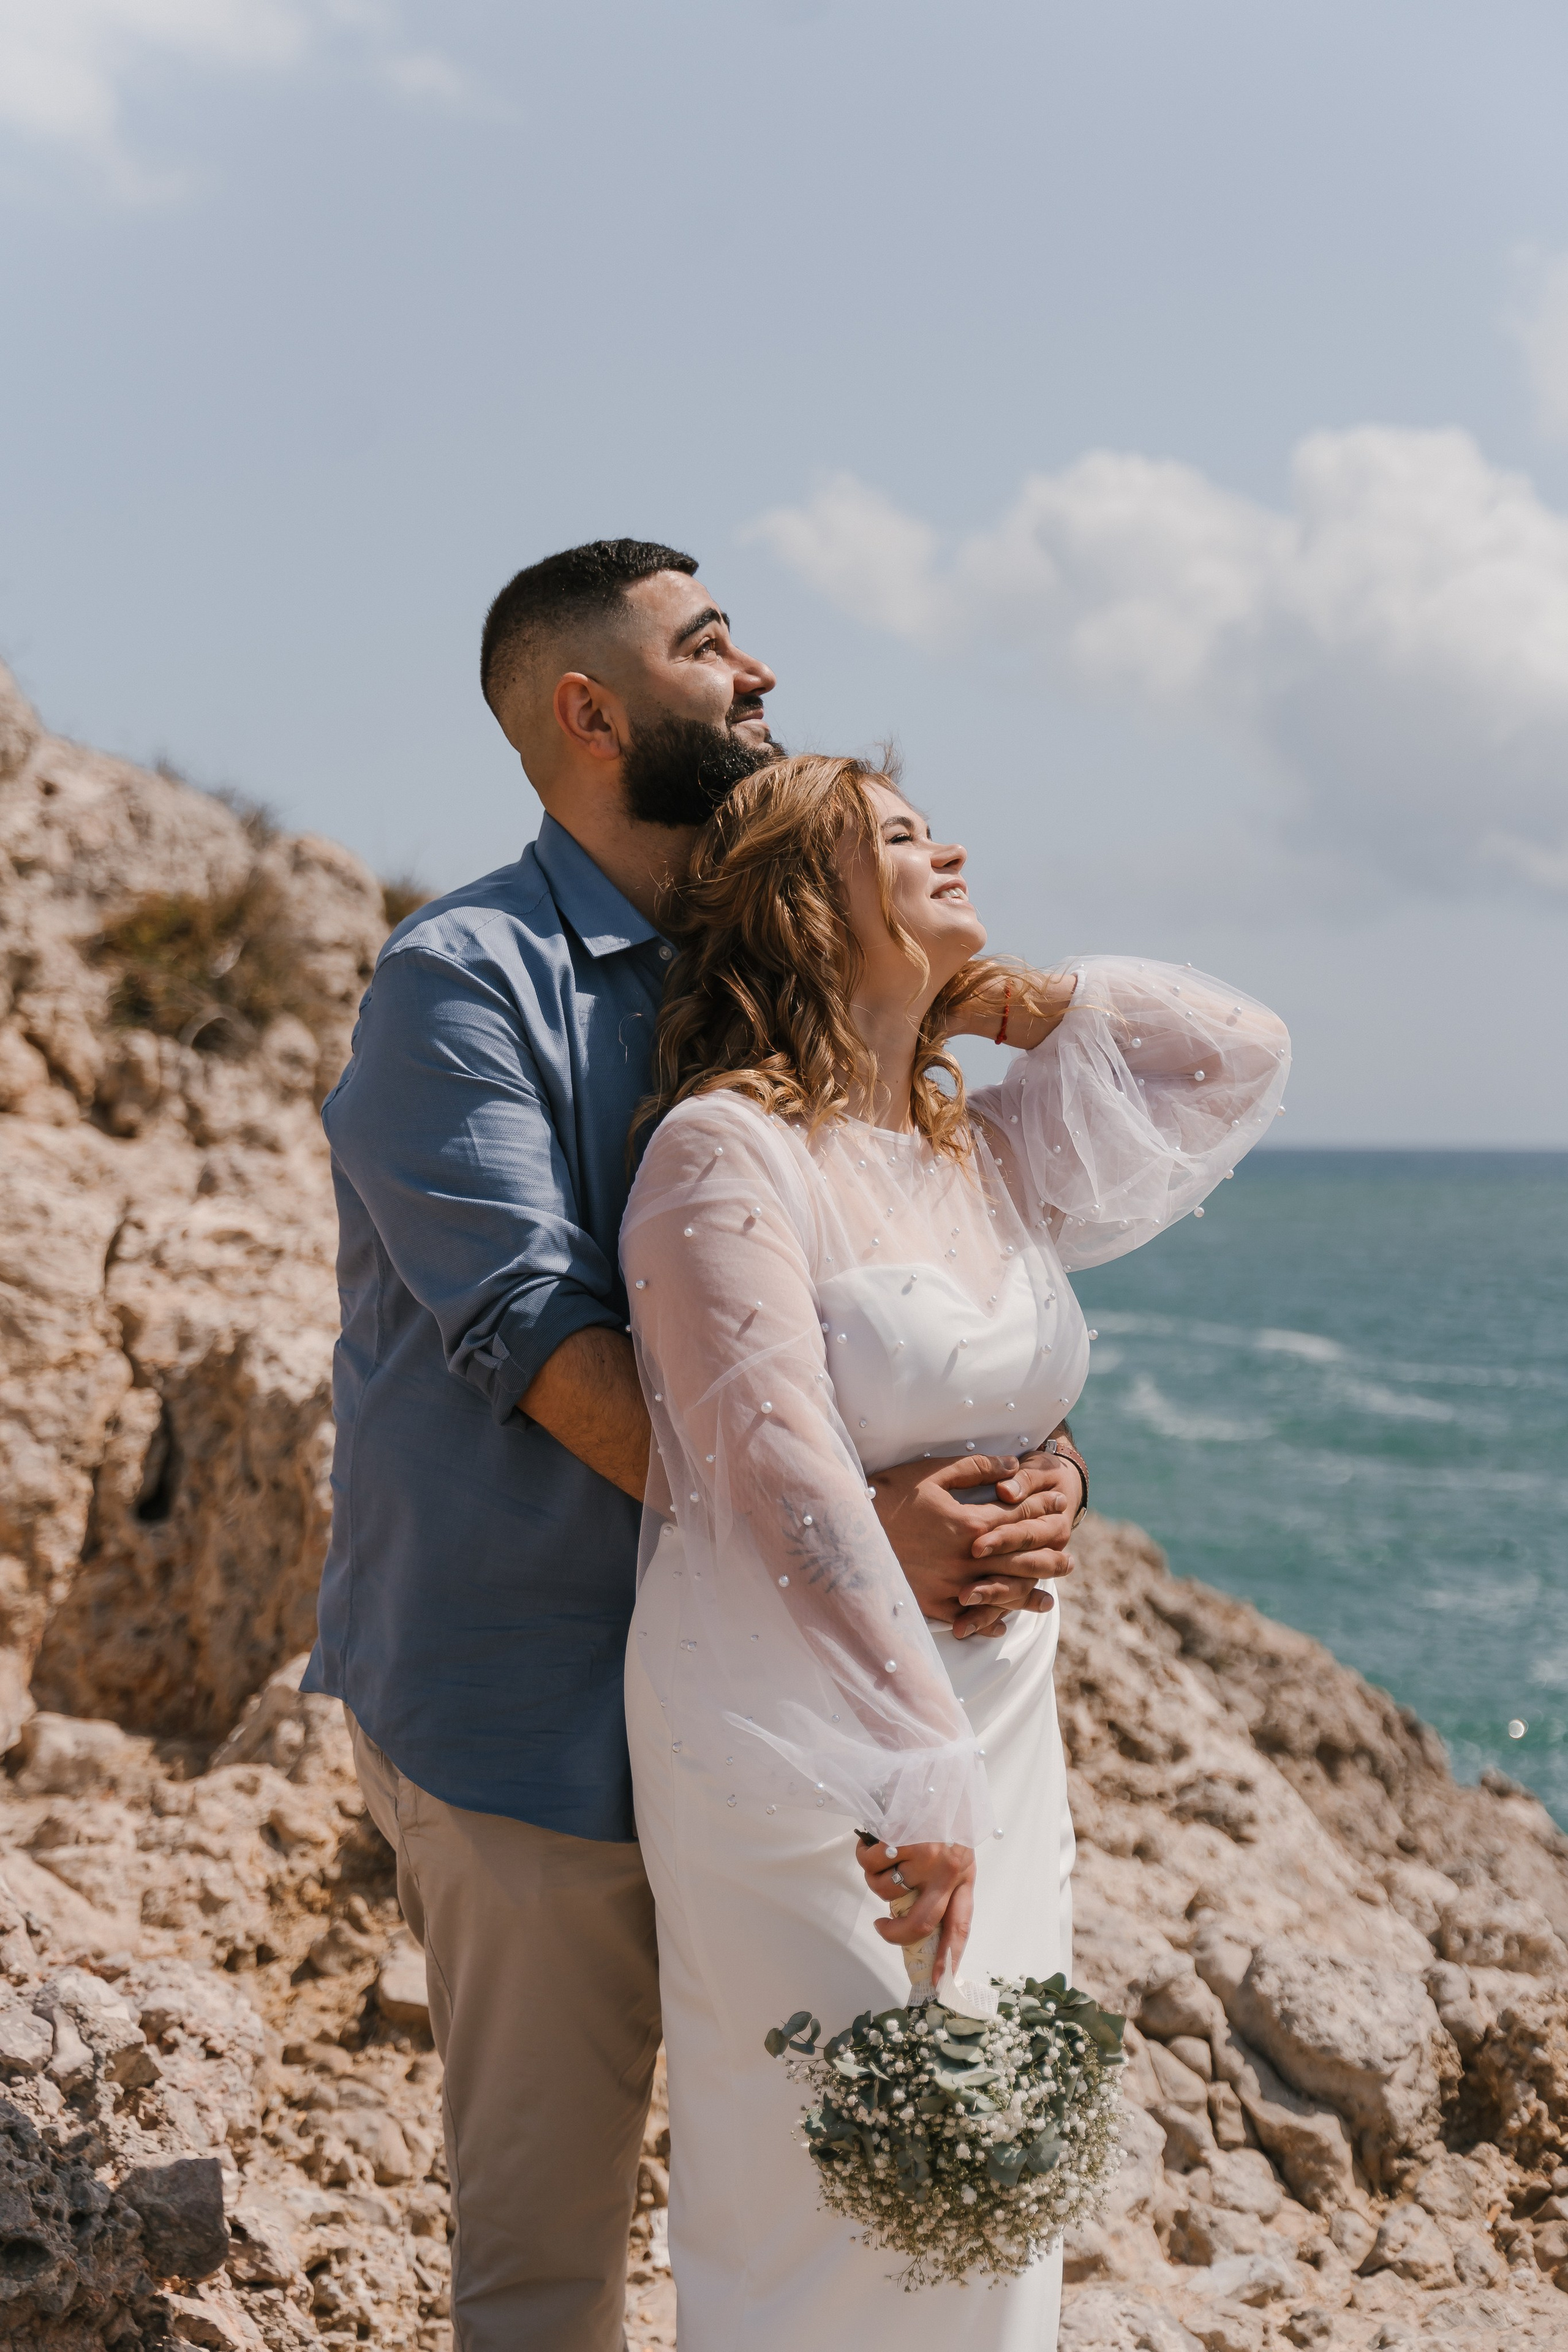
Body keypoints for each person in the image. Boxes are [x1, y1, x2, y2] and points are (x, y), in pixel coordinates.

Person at [303, 542, 1086, 2350]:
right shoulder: (460, 982)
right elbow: (543, 1349)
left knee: (829, 2218)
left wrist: (1037, 1478)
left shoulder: (773, 978)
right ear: (590, 711)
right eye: (711, 646)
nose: (762, 677)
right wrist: (856, 1542)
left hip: (787, 1727)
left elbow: (909, 1288)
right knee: (553, 2263)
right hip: (531, 1723)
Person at [622, 752, 1291, 2351]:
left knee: (995, 2173)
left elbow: (1237, 1058)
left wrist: (1010, 998)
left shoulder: (976, 1146)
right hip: (808, 1738)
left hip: (1006, 1721)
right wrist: (910, 1767)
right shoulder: (722, 1155)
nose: (955, 849)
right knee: (830, 2185)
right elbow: (773, 1467)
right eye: (904, 838)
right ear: (800, 899)